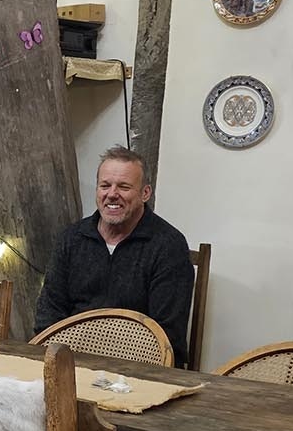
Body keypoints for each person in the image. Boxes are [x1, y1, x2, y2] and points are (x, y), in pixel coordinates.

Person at [34, 145, 194, 363]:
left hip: (138, 368)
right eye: (105, 185)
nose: (112, 194)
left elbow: (167, 335)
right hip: (69, 360)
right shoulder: (71, 238)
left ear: (145, 193)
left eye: (124, 187)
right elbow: (49, 315)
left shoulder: (169, 246)